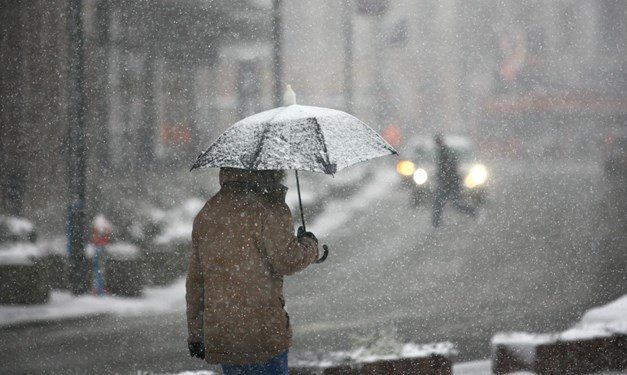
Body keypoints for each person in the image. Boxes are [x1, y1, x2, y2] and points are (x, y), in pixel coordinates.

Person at [186, 167, 319, 374]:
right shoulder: (270, 207)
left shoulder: (208, 211)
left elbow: (196, 282)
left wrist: (196, 333)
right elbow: (287, 260)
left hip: (224, 333)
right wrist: (310, 245)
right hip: (263, 332)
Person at [432, 134, 475, 228]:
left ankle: (472, 211)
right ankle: (436, 224)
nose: (437, 144)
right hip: (448, 182)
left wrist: (446, 177)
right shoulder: (442, 152)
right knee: (441, 203)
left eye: (438, 142)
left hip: (450, 183)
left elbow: (450, 168)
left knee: (449, 203)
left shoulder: (445, 152)